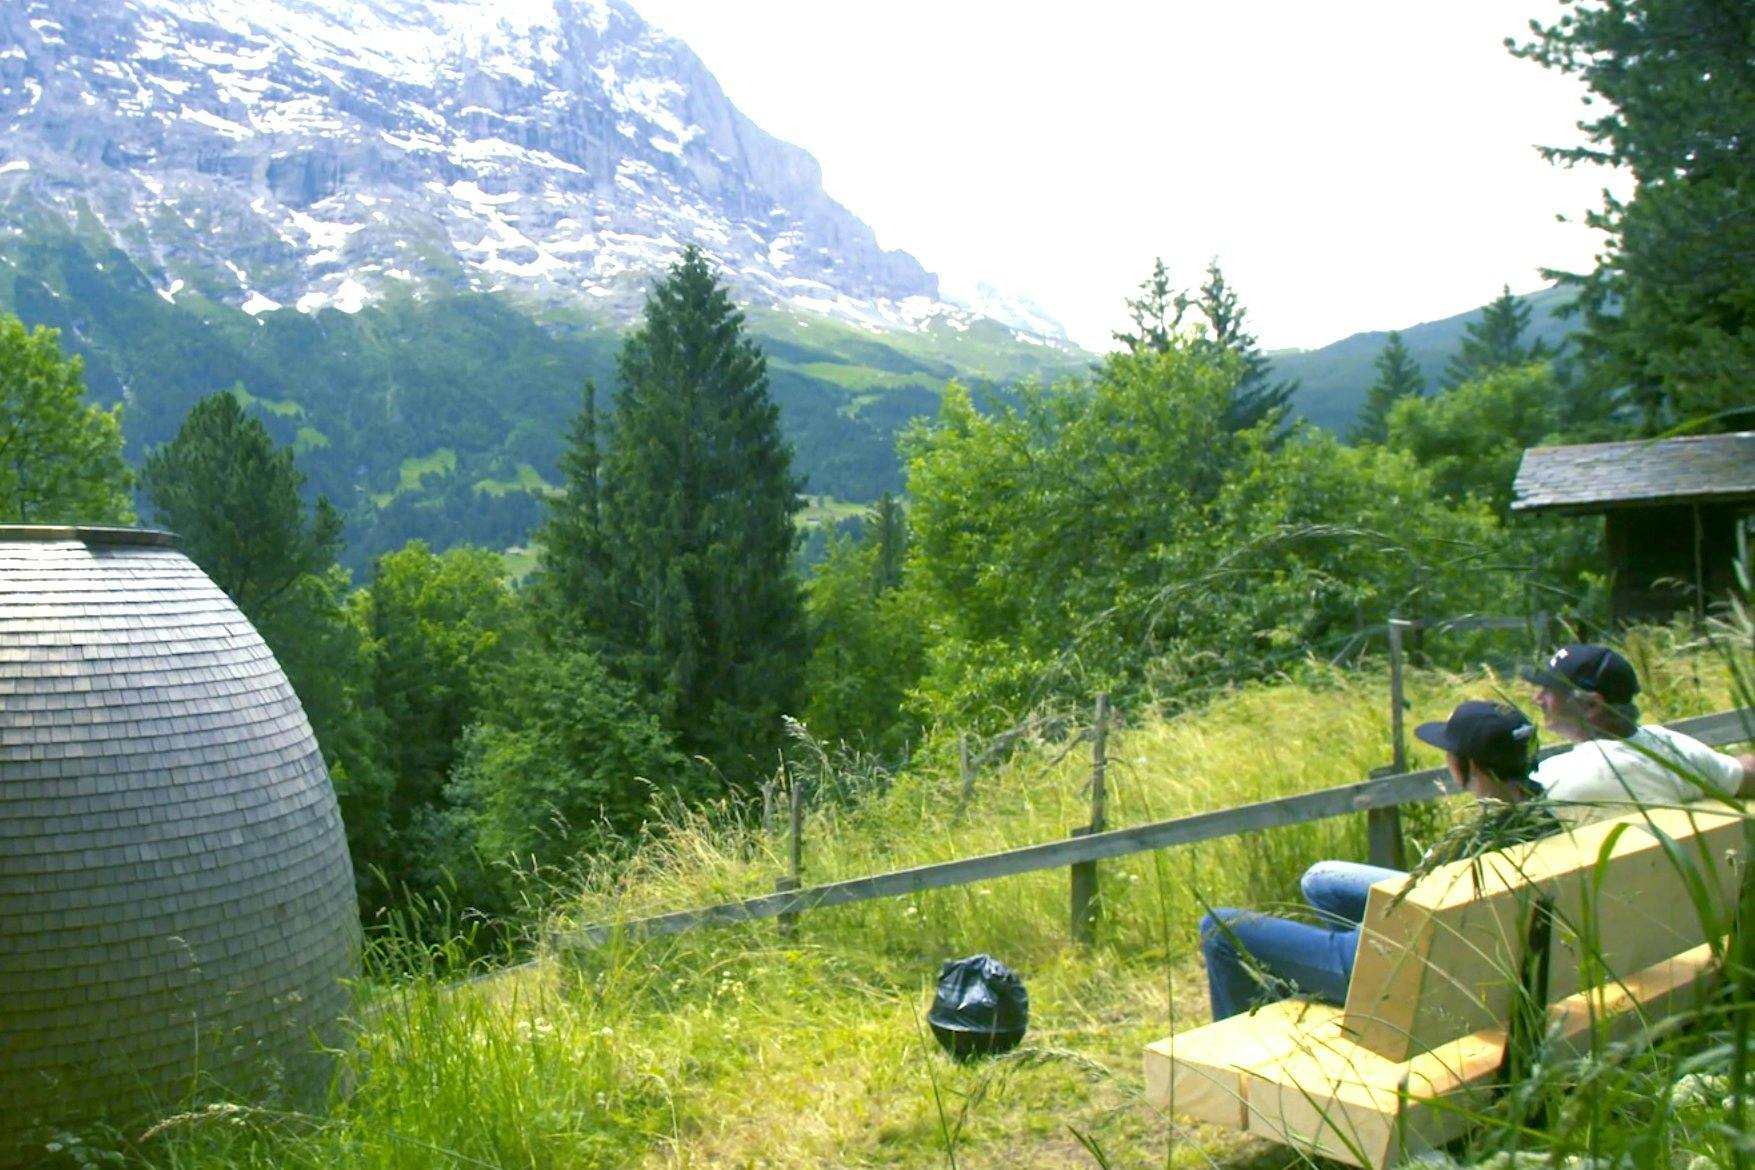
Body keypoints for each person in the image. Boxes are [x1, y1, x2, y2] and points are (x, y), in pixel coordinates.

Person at [1200, 700, 1557, 1021]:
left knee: (1217, 928)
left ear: (1472, 765)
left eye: (1448, 752)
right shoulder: (1544, 817)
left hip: (1404, 971)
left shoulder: (1469, 848)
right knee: (1323, 882)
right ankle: (1330, 982)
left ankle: (1336, 991)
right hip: (1453, 950)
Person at [1521, 643, 1755, 823]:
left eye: (1549, 691)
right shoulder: (1670, 746)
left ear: (1591, 705)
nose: (1537, 698)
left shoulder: (1554, 776)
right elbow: (1746, 773)